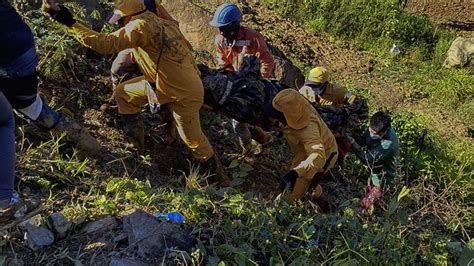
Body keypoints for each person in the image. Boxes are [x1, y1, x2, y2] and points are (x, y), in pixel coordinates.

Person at [42, 0, 230, 185]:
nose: (119, 24)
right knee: (123, 93)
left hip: (183, 93)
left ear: (128, 15)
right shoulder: (159, 21)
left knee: (194, 141)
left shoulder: (139, 26)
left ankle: (222, 184)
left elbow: (105, 44)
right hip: (172, 84)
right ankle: (138, 147)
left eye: (120, 20)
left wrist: (68, 21)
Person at [0, 0, 100, 159]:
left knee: (26, 105)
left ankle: (83, 141)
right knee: (24, 101)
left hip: (11, 56)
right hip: (22, 41)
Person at [209, 3, 275, 165]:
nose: (221, 32)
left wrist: (259, 81)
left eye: (224, 28)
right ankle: (252, 148)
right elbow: (223, 64)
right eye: (220, 28)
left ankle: (252, 148)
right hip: (237, 82)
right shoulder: (220, 41)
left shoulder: (253, 38)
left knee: (245, 118)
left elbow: (267, 61)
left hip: (255, 82)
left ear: (235, 25)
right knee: (238, 118)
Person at [267, 89, 338, 210]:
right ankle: (317, 195)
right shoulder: (297, 107)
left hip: (322, 156)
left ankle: (289, 214)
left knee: (293, 194)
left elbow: (318, 156)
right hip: (303, 152)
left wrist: (296, 172)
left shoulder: (309, 128)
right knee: (300, 183)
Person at [299, 66, 369, 161]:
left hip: (335, 121)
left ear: (324, 84)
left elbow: (359, 104)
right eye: (311, 85)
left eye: (315, 86)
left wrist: (346, 118)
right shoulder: (306, 90)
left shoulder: (338, 91)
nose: (312, 89)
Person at [346, 111, 400, 210]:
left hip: (386, 178)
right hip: (375, 173)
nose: (372, 135)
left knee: (365, 203)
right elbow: (363, 140)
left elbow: (368, 160)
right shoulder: (374, 127)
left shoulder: (388, 144)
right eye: (370, 130)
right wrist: (351, 134)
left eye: (376, 134)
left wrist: (353, 144)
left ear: (386, 130)